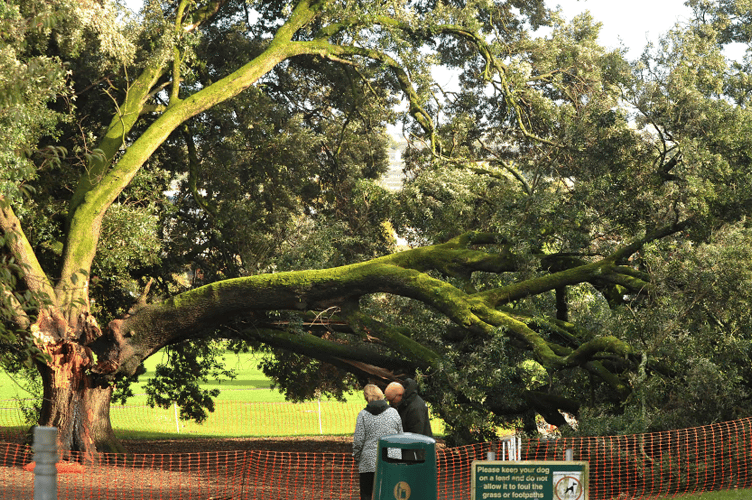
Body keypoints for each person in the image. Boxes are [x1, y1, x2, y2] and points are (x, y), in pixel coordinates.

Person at [353, 384, 403, 500]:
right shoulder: (394, 413)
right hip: (391, 459)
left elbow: (358, 441)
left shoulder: (363, 415)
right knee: (390, 493)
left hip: (369, 462)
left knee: (367, 494)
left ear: (366, 397)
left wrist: (357, 457)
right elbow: (400, 436)